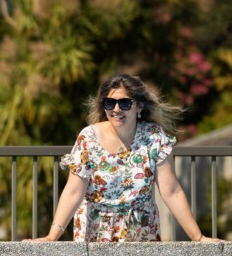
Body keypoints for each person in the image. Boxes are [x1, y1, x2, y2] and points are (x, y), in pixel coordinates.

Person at [29, 74, 221, 243]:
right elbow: (73, 192)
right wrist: (51, 237)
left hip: (142, 233)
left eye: (125, 103)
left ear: (139, 106)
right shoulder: (88, 138)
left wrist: (198, 237)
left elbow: (172, 192)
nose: (117, 109)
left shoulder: (154, 138)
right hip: (95, 232)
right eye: (110, 103)